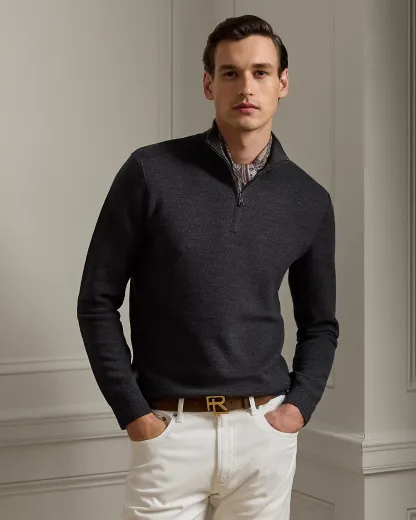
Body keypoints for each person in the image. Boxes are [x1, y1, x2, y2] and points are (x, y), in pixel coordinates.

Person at [77, 14, 339, 520]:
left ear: (283, 83)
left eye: (261, 72)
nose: (247, 87)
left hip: (264, 434)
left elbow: (321, 325)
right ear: (208, 84)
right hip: (169, 432)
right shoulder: (150, 172)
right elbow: (96, 301)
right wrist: (134, 413)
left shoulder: (309, 199)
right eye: (230, 73)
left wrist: (296, 409)